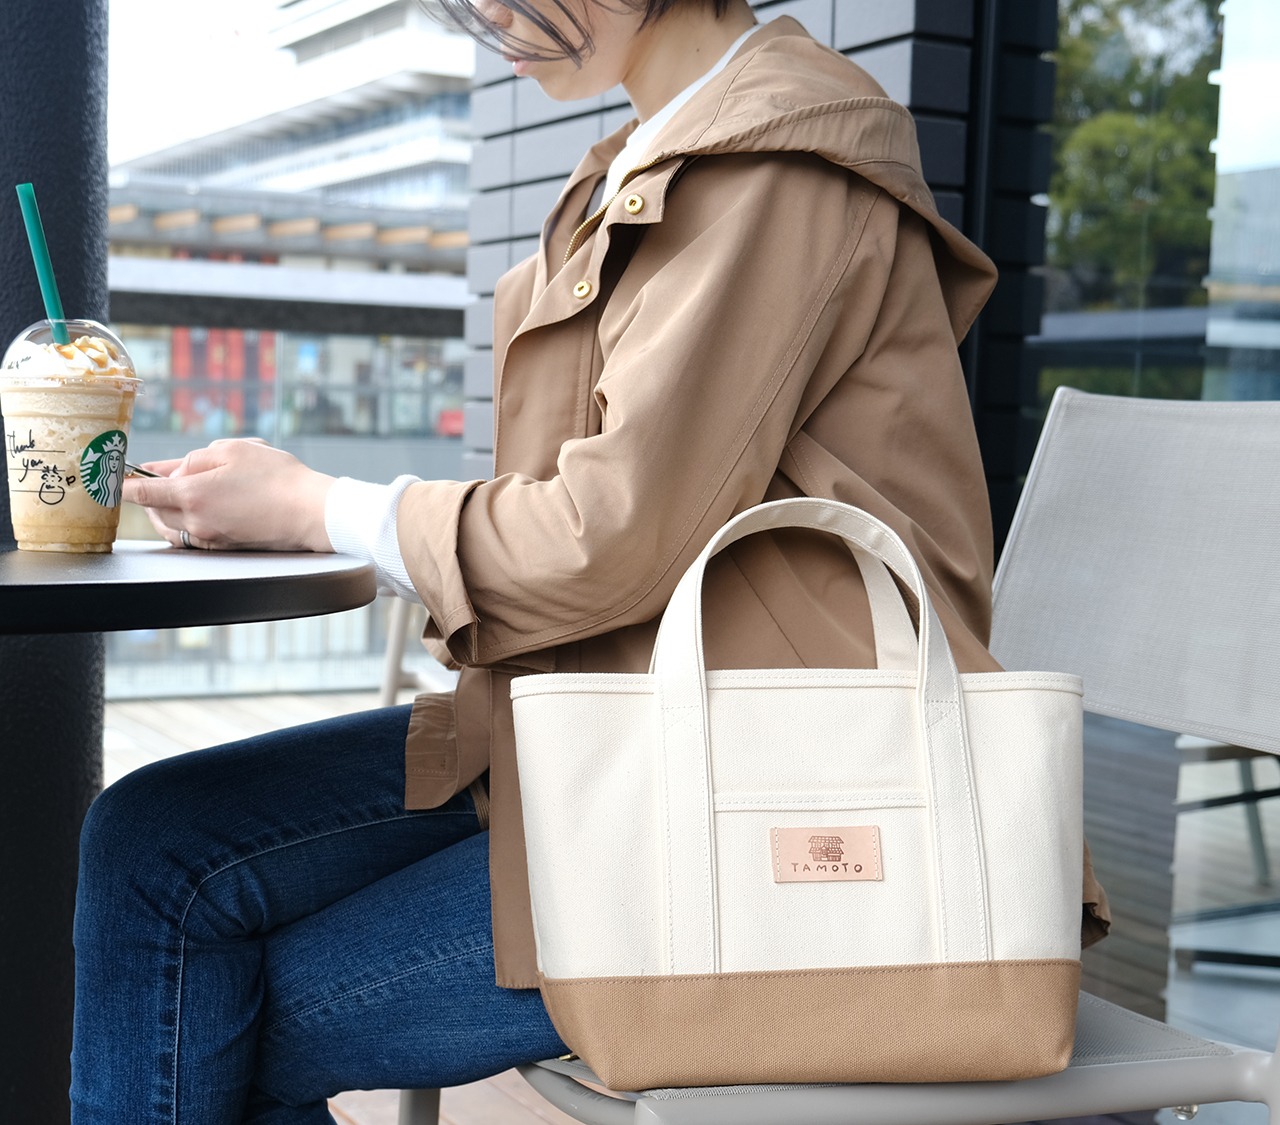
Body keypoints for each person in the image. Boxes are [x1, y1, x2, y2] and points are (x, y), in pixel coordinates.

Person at [77, 0, 1110, 1120]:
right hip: (622, 734)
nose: (487, 14)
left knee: (193, 1011)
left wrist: (316, 507)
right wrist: (316, 512)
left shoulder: (774, 166)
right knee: (149, 837)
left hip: (778, 800)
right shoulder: (654, 157)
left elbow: (606, 537)